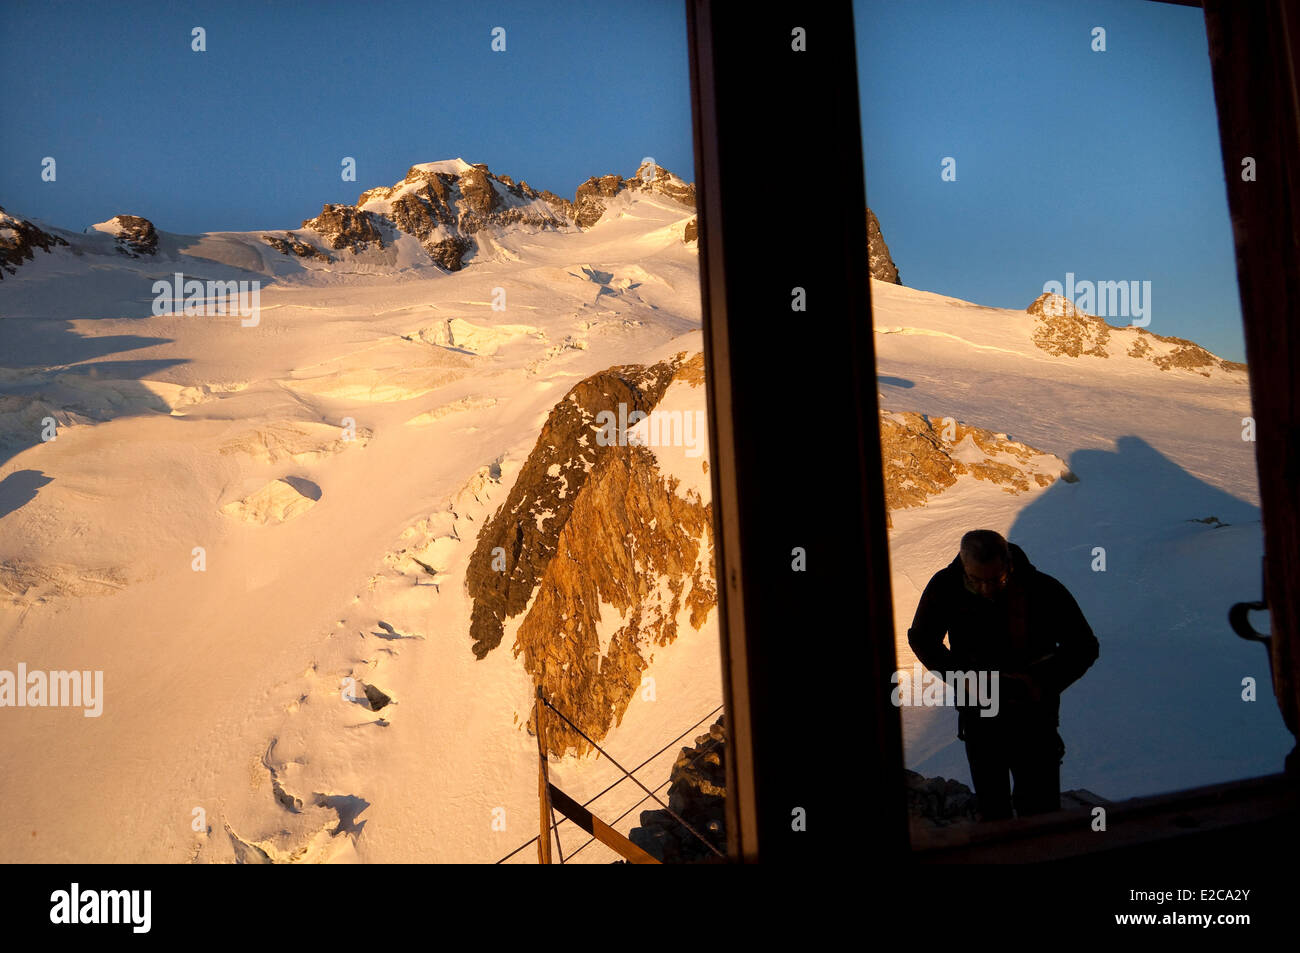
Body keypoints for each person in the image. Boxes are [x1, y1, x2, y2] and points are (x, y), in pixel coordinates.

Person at [907, 529, 1099, 820]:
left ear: (1009, 564)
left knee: (1039, 807)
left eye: (995, 580)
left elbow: (1083, 646)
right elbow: (922, 638)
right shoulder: (946, 586)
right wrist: (964, 680)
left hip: (1033, 715)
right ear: (963, 565)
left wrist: (1040, 684)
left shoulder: (1041, 589)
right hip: (982, 717)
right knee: (993, 806)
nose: (986, 589)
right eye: (976, 580)